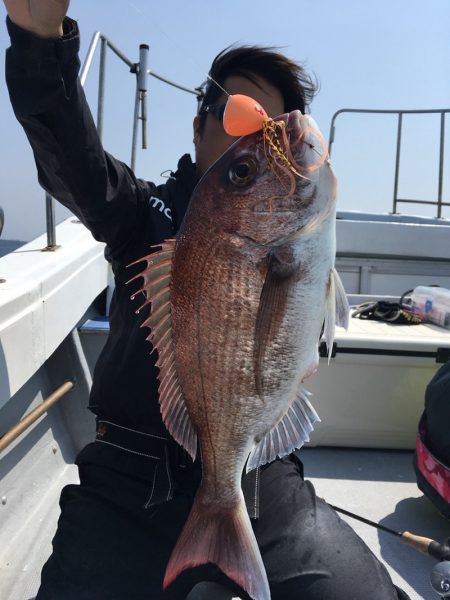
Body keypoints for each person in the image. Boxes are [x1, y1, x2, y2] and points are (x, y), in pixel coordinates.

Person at [4, 2, 411, 599]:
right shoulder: (140, 213)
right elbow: (73, 162)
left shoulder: (302, 235)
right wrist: (39, 41)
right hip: (127, 479)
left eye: (281, 127)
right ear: (198, 128)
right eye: (245, 118)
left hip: (256, 475)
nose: (268, 139)